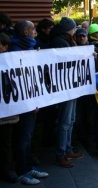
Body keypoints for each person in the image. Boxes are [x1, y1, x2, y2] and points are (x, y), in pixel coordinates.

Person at [10, 20, 49, 185]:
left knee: (28, 136)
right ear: (26, 32)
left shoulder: (29, 47)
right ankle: (22, 172)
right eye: (33, 30)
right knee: (23, 138)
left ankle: (28, 167)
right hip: (21, 103)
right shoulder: (14, 50)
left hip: (31, 101)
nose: (36, 33)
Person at [50, 17, 84, 168]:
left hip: (72, 85)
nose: (75, 30)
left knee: (70, 119)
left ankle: (68, 149)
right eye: (73, 28)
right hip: (65, 87)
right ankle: (61, 153)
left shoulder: (66, 40)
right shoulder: (59, 42)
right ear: (68, 29)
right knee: (65, 121)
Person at [0, 33, 19, 183]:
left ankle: (8, 170)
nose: (4, 48)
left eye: (5, 45)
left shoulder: (11, 60)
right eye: (2, 45)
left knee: (7, 143)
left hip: (8, 112)